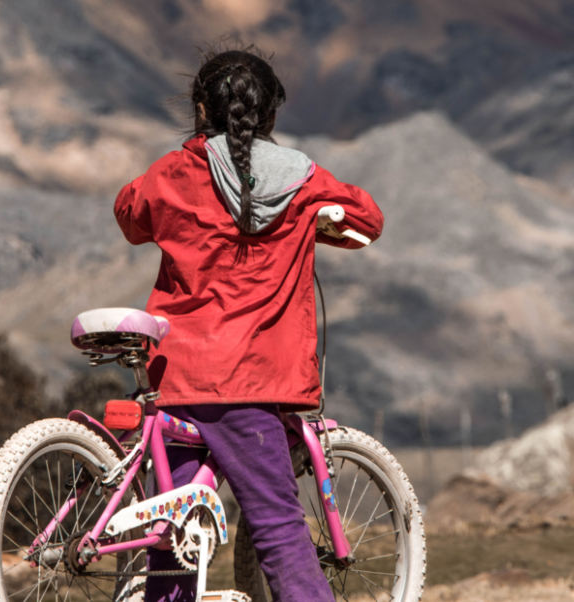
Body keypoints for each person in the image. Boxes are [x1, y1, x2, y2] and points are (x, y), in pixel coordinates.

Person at [113, 46, 383, 602]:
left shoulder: (174, 172)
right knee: (280, 531)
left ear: (200, 109)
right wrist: (322, 219)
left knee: (173, 537)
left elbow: (129, 213)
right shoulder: (302, 180)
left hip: (175, 380)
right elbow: (368, 218)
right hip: (251, 383)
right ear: (271, 117)